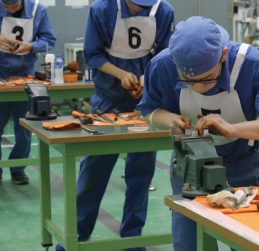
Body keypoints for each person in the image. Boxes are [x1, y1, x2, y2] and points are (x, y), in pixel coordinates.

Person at [137, 16, 259, 251]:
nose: (197, 88)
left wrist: (233, 129)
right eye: (187, 81)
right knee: (189, 242)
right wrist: (169, 120)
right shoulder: (161, 64)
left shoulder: (253, 65)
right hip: (189, 170)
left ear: (223, 55)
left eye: (205, 80)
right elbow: (149, 109)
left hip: (242, 163)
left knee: (247, 241)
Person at [55, 0, 174, 251]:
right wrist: (121, 75)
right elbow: (93, 55)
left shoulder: (164, 11)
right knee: (94, 170)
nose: (139, 9)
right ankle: (77, 233)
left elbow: (165, 53)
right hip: (107, 101)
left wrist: (146, 78)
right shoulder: (101, 10)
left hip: (145, 104)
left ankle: (132, 237)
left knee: (141, 173)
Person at [0, 0, 56, 184]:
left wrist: (31, 46)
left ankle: (18, 168)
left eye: (14, 6)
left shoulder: (38, 10)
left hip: (25, 76)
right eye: (6, 6)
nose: (10, 9)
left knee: (24, 126)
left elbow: (49, 40)